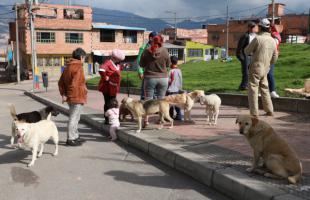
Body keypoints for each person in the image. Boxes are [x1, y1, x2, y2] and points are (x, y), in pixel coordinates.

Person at [244, 18, 278, 117]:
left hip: (255, 67)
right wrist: (269, 64)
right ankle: (269, 110)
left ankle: (254, 113)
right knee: (265, 88)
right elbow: (275, 56)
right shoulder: (272, 40)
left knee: (253, 89)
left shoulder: (258, 38)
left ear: (260, 27)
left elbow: (246, 51)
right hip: (266, 68)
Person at [58, 48, 87, 146]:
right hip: (76, 96)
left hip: (71, 97)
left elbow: (60, 82)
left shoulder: (68, 67)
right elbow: (76, 84)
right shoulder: (78, 66)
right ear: (81, 57)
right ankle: (70, 138)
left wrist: (64, 94)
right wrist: (82, 91)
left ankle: (75, 136)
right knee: (74, 118)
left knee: (75, 118)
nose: (84, 60)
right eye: (84, 58)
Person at [139, 35, 171, 126]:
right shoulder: (165, 51)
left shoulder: (146, 51)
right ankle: (160, 120)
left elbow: (141, 64)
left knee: (148, 100)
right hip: (163, 78)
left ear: (152, 41)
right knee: (161, 101)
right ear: (162, 41)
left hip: (150, 78)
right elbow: (168, 64)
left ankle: (146, 120)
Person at [98, 49, 128, 124]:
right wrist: (105, 78)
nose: (120, 61)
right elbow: (101, 69)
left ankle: (113, 117)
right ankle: (107, 119)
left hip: (113, 87)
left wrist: (123, 66)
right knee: (108, 102)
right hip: (107, 87)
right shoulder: (108, 63)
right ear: (115, 58)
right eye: (119, 59)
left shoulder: (116, 64)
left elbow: (117, 69)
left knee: (113, 102)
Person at [236, 21, 258, 91]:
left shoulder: (256, 36)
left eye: (253, 27)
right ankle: (243, 86)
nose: (252, 29)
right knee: (245, 72)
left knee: (252, 72)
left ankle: (249, 85)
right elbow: (239, 48)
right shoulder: (245, 36)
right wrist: (241, 57)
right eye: (251, 27)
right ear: (248, 28)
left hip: (253, 56)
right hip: (246, 56)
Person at [137, 31, 158, 100]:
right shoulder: (144, 48)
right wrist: (140, 72)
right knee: (144, 93)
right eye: (156, 38)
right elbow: (139, 60)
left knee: (155, 94)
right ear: (150, 38)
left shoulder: (158, 47)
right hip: (146, 74)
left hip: (156, 74)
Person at [167, 56, 182, 120]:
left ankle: (170, 116)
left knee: (169, 103)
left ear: (170, 62)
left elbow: (169, 81)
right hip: (177, 89)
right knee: (177, 103)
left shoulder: (170, 71)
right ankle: (179, 116)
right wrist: (180, 87)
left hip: (170, 89)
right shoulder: (179, 70)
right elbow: (181, 80)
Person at [268, 25, 282, 98]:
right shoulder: (276, 35)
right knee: (269, 74)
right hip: (272, 55)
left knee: (269, 74)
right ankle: (271, 91)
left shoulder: (272, 35)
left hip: (269, 55)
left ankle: (272, 91)